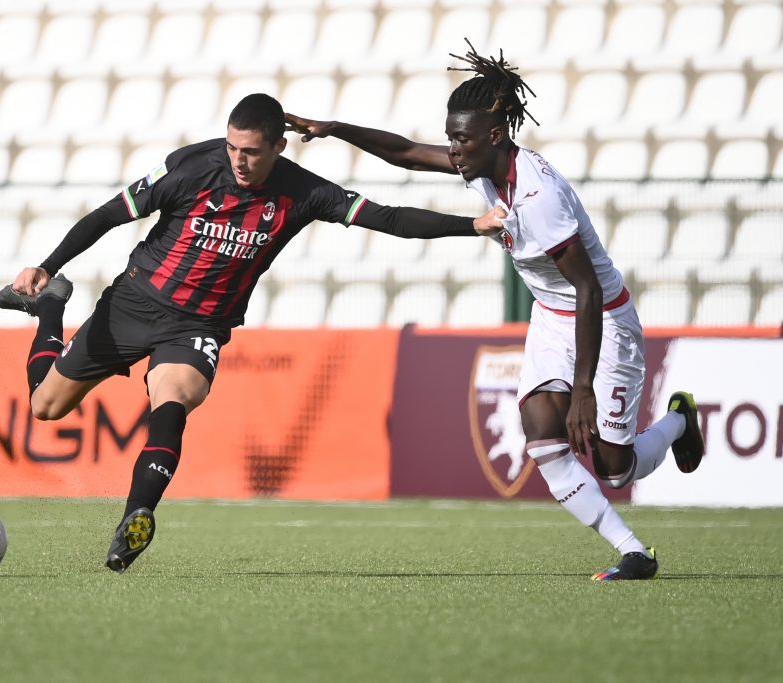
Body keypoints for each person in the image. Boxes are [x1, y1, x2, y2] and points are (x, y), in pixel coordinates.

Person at [0, 93, 505, 573]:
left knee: (170, 399)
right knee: (45, 406)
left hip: (198, 326)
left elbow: (388, 218)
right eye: (232, 148)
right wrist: (47, 265)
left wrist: (471, 225)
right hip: (133, 301)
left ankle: (136, 517)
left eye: (252, 152)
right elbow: (108, 215)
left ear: (279, 146)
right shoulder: (190, 167)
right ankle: (51, 307)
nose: (239, 160)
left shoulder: (304, 192)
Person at [285, 42, 705, 581]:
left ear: (495, 135)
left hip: (601, 319)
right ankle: (634, 553)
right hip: (554, 315)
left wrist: (583, 392)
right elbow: (406, 152)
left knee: (616, 468)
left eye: (460, 139)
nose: (452, 149)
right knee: (541, 435)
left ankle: (679, 419)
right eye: (451, 138)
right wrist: (332, 127)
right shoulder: (483, 164)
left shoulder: (538, 197)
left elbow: (589, 292)